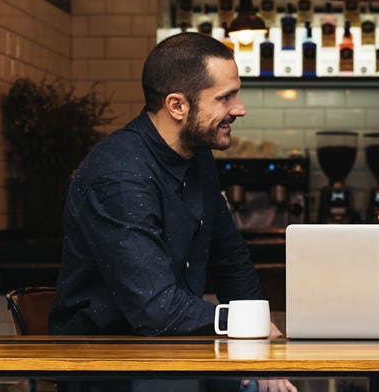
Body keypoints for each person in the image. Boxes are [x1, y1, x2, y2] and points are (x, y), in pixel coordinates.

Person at [48, 32, 294, 392]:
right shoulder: (118, 175)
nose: (239, 108)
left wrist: (262, 355)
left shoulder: (198, 158)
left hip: (170, 357)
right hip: (108, 368)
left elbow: (231, 261)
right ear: (177, 105)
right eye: (225, 97)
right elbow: (154, 307)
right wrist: (245, 325)